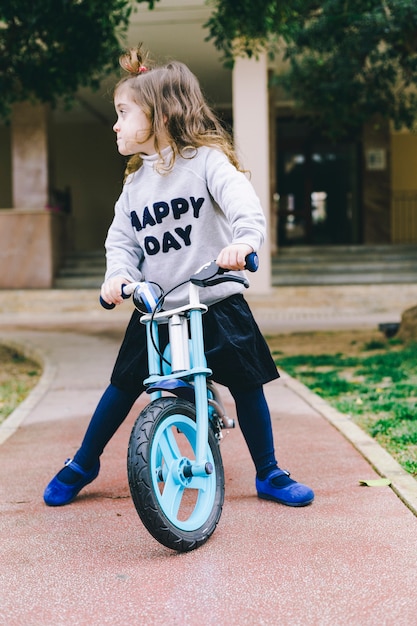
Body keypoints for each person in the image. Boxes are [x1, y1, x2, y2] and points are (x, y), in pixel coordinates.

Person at [44, 46, 314, 508]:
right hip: (159, 309)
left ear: (160, 115)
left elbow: (242, 201)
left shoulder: (206, 162)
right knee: (123, 386)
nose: (115, 124)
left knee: (248, 384)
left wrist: (244, 242)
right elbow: (121, 243)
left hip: (216, 301)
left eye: (123, 113)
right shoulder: (134, 186)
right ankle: (84, 461)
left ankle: (268, 471)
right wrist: (118, 278)